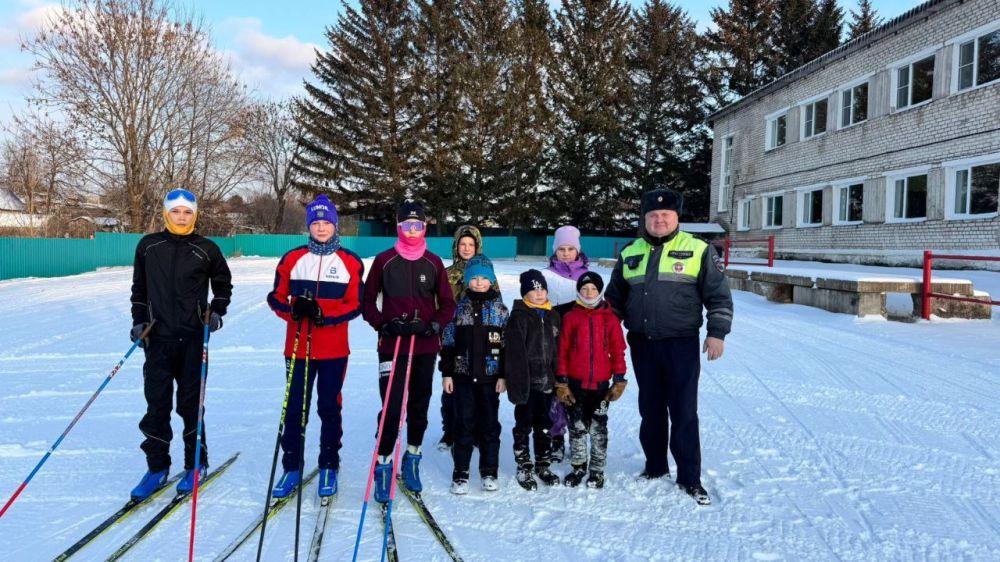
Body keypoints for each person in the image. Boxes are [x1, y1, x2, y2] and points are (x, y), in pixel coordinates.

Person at [605, 187, 733, 506]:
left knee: (683, 410)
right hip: (642, 344)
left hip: (681, 344)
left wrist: (717, 332)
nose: (659, 220)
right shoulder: (630, 252)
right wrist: (603, 336)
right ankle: (655, 465)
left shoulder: (699, 250)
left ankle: (689, 476)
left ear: (676, 217)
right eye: (653, 215)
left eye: (666, 215)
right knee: (650, 408)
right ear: (645, 219)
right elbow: (613, 301)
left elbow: (718, 296)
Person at [128, 188, 232, 499]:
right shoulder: (149, 246)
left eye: (187, 212)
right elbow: (139, 289)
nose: (182, 217)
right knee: (157, 405)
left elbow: (223, 285)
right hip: (158, 340)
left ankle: (195, 464)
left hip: (192, 340)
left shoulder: (207, 249)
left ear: (195, 215)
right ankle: (157, 467)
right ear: (166, 213)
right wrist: (139, 321)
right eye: (176, 211)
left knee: (190, 405)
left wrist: (215, 312)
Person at [265, 195, 364, 498]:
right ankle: (291, 466)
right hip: (297, 347)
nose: (321, 228)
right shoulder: (293, 258)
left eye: (327, 223)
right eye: (316, 223)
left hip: (333, 350)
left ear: (335, 226)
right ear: (309, 226)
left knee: (328, 407)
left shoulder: (350, 261)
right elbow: (276, 297)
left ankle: (329, 465)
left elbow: (356, 304)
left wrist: (324, 314)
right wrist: (292, 310)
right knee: (295, 409)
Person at [362, 201, 456, 502]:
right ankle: (384, 462)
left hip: (425, 345)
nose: (412, 230)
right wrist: (383, 324)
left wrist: (433, 325)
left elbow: (448, 304)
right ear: (398, 228)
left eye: (417, 225)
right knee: (391, 406)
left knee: (418, 404)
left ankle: (412, 457)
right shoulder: (384, 260)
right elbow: (366, 302)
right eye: (407, 225)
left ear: (424, 227)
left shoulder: (433, 262)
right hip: (393, 344)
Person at [439, 255, 508, 494]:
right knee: (464, 424)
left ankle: (489, 471)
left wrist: (503, 375)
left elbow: (507, 346)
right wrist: (447, 373)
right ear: (467, 281)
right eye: (474, 278)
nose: (479, 283)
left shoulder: (500, 311)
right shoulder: (458, 310)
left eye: (484, 278)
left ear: (492, 280)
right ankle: (461, 473)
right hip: (463, 378)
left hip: (490, 379)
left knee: (489, 426)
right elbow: (447, 343)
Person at [555, 271, 627, 489]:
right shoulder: (570, 317)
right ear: (579, 291)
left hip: (601, 388)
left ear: (600, 291)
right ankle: (578, 467)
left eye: (593, 289)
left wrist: (620, 379)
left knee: (598, 429)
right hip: (575, 385)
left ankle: (597, 469)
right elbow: (563, 351)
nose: (588, 293)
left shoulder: (610, 318)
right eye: (584, 289)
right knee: (576, 427)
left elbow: (618, 350)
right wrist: (562, 381)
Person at [439, 225, 497, 451]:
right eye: (462, 244)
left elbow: (496, 301)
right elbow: (440, 304)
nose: (466, 248)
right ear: (456, 246)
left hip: (481, 340)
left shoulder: (485, 270)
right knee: (452, 386)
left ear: (477, 246)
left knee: (480, 389)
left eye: (470, 244)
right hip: (454, 337)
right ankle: (450, 431)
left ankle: (477, 431)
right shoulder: (447, 273)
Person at [503, 269, 561, 490]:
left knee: (545, 424)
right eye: (533, 290)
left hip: (548, 383)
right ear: (524, 293)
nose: (539, 293)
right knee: (524, 424)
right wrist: (517, 383)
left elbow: (557, 350)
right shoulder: (519, 316)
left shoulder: (553, 316)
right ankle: (524, 464)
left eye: (542, 289)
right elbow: (514, 353)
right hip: (526, 384)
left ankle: (543, 464)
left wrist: (559, 379)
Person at [541, 225, 590, 462]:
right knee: (555, 391)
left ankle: (577, 436)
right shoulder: (546, 276)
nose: (566, 253)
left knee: (577, 391)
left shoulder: (587, 277)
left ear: (578, 250)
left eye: (571, 248)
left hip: (579, 345)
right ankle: (555, 437)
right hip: (553, 342)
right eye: (561, 249)